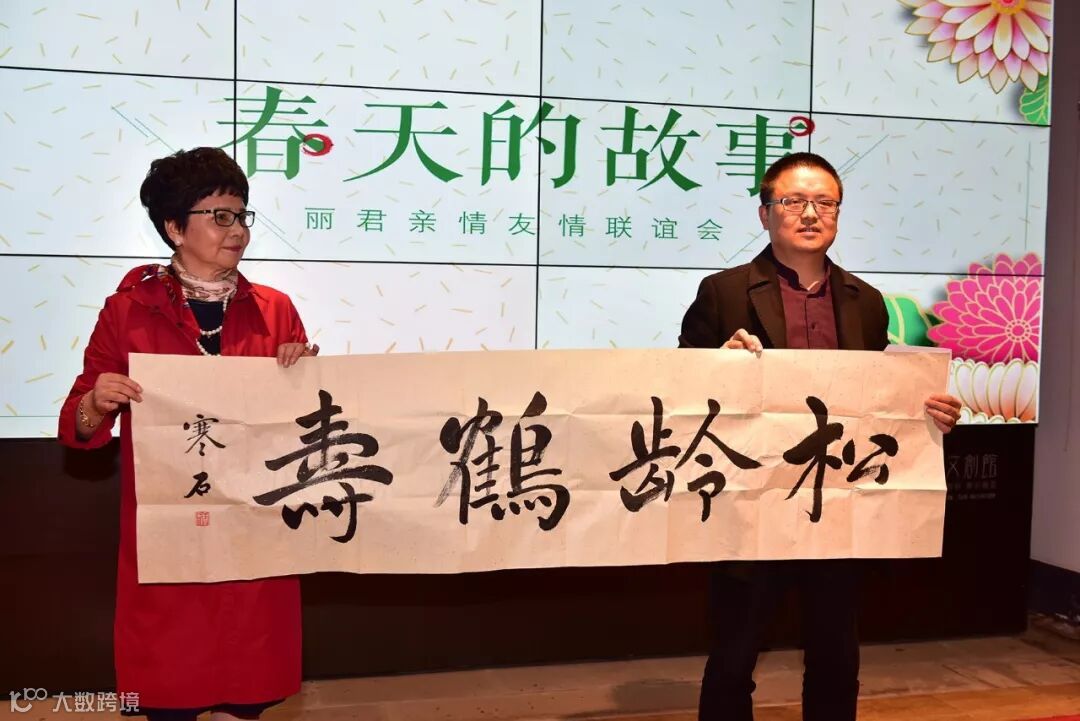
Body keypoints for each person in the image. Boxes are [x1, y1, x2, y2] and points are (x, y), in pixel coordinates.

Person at [679, 152, 962, 721]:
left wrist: (927, 411)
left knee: (836, 657)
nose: (810, 214)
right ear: (765, 214)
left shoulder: (865, 301)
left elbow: (876, 399)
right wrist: (717, 366)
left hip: (836, 507)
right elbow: (680, 392)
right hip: (752, 507)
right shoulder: (723, 292)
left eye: (825, 203)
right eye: (793, 201)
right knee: (733, 658)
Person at [58, 147, 318, 721]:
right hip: (171, 535)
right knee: (168, 689)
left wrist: (306, 377)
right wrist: (96, 403)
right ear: (175, 228)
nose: (238, 230)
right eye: (220, 216)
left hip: (253, 529)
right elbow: (77, 424)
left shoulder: (275, 309)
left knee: (248, 690)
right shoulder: (127, 310)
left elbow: (301, 426)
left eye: (242, 215)